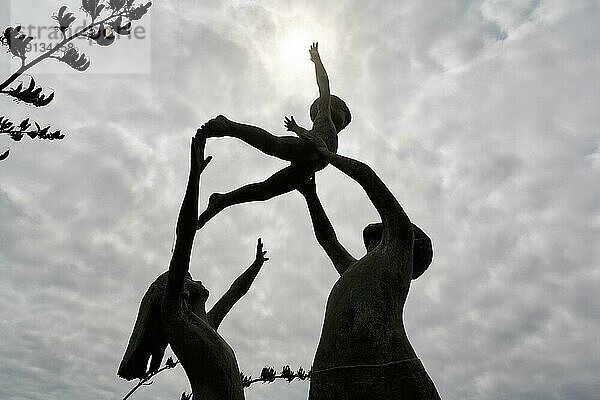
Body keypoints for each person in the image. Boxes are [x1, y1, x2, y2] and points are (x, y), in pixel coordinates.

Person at [118, 135, 269, 400]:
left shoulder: (207, 324)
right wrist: (194, 177)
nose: (197, 280)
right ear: (179, 289)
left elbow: (236, 293)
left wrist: (256, 265)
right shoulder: (176, 318)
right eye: (189, 277)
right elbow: (185, 235)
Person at [295, 132, 440, 399]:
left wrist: (325, 153)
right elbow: (327, 239)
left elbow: (365, 174)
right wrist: (310, 195)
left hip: (389, 371)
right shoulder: (354, 268)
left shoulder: (400, 242)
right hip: (332, 377)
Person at [196, 42, 351, 229]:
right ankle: (229, 126)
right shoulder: (324, 116)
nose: (345, 120)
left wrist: (296, 129)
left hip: (307, 168)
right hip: (308, 150)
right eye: (344, 114)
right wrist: (317, 61)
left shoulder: (332, 133)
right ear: (333, 107)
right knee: (274, 145)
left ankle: (222, 200)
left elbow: (311, 138)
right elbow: (324, 86)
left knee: (264, 191)